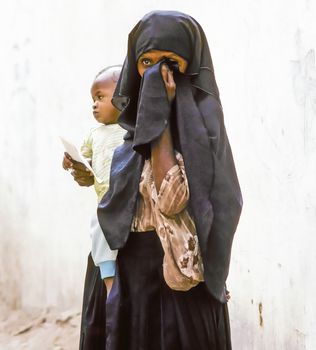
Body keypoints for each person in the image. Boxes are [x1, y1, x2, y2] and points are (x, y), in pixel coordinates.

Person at [98, 11, 243, 350]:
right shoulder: (130, 130)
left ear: (190, 63)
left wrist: (160, 121)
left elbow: (171, 199)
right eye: (146, 61)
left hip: (183, 277)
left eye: (170, 61)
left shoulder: (203, 120)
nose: (155, 73)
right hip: (136, 276)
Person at [62, 66, 125, 350]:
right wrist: (73, 163)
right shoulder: (95, 134)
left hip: (129, 208)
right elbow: (83, 162)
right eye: (93, 99)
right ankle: (110, 287)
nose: (94, 104)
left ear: (123, 96)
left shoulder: (131, 131)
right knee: (99, 232)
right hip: (105, 202)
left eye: (101, 96)